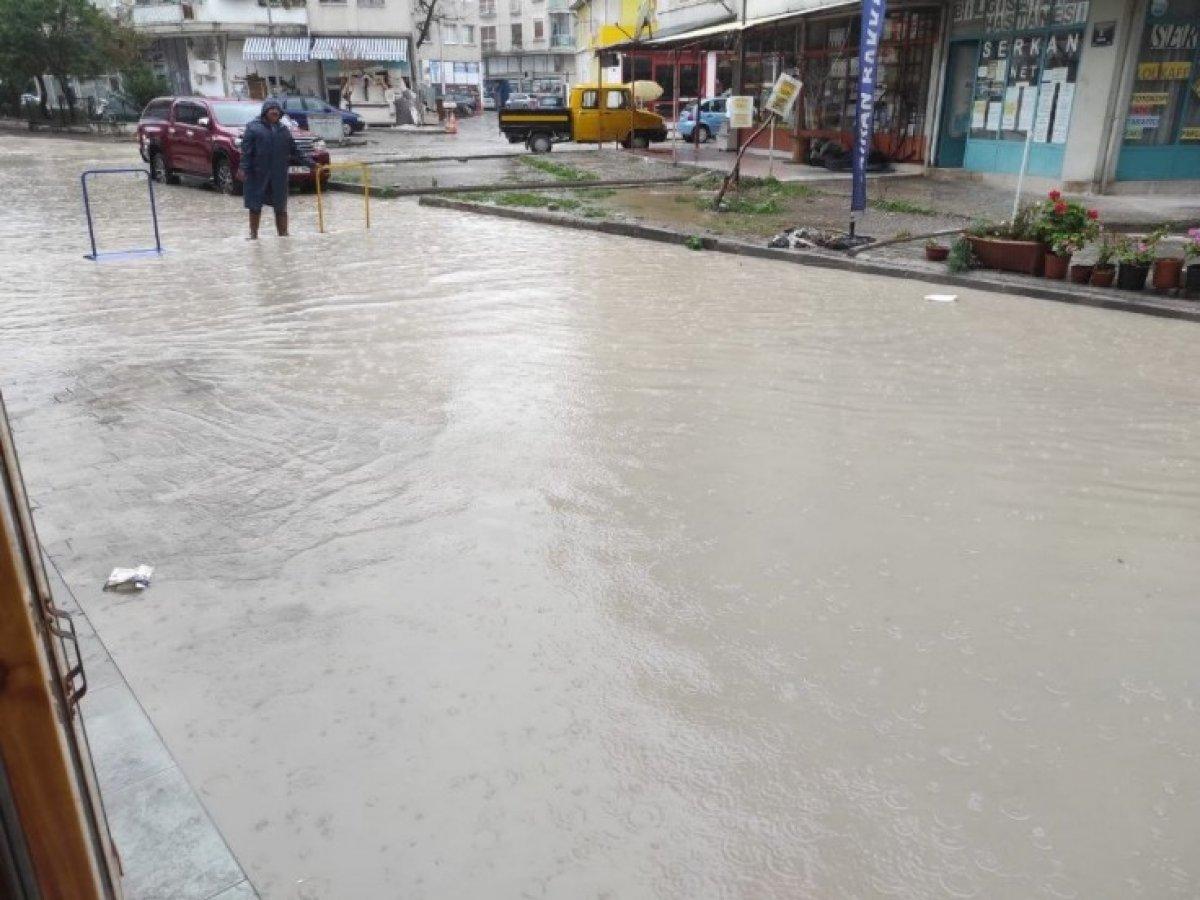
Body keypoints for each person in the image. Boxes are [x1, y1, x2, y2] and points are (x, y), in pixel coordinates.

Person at [238, 98, 315, 239]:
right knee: (255, 205)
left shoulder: (284, 130)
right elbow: (246, 151)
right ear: (265, 112)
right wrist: (243, 168)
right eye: (271, 109)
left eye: (277, 110)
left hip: (278, 174)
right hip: (257, 173)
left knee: (281, 205)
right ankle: (253, 235)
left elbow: (295, 151)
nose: (275, 111)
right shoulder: (253, 127)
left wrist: (310, 163)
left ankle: (284, 235)